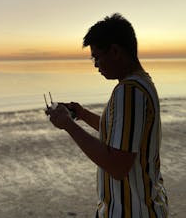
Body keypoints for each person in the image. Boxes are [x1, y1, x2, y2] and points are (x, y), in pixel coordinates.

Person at [46, 13, 168, 218]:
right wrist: (82, 114)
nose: (95, 64)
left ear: (115, 51)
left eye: (97, 56)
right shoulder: (143, 83)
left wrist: (68, 125)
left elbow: (117, 166)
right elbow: (119, 133)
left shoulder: (129, 92)